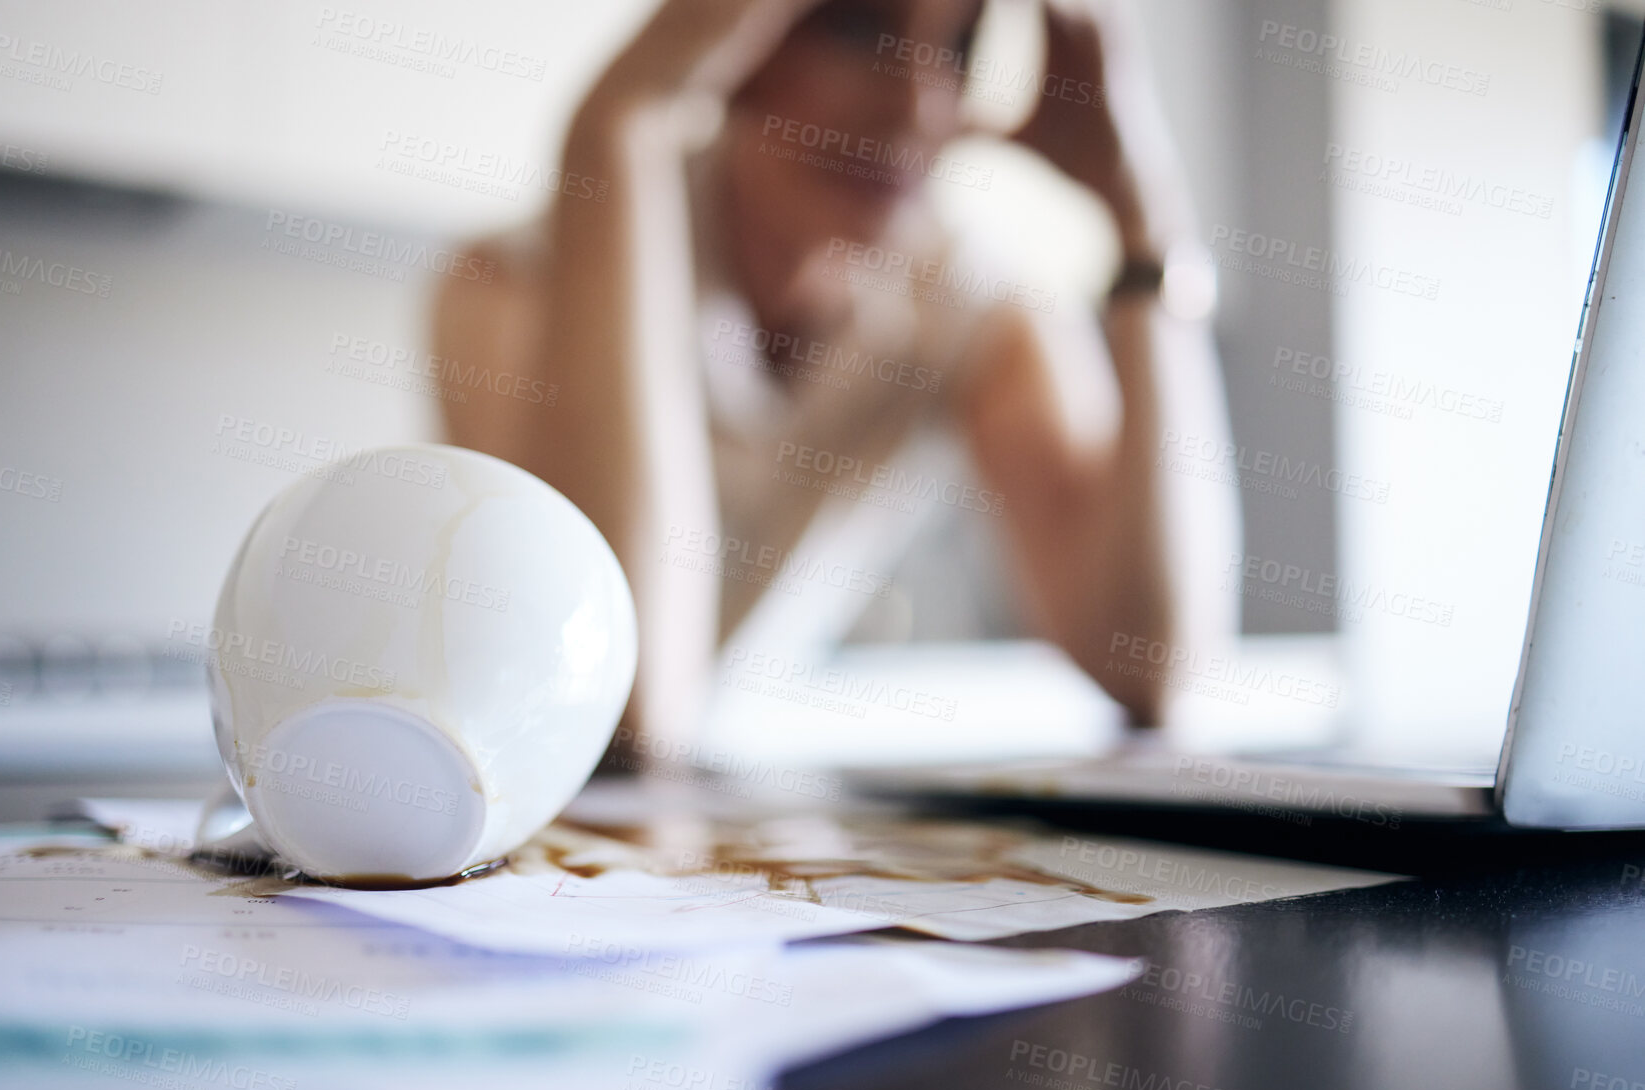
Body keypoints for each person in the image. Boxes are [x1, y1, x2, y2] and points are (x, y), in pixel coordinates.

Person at [436, 0, 1237, 757]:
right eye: (860, 31)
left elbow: (1150, 665)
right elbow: (625, 713)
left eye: (954, 51)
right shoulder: (508, 286)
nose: (917, 111)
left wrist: (1145, 222)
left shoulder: (962, 303)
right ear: (734, 35)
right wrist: (617, 120)